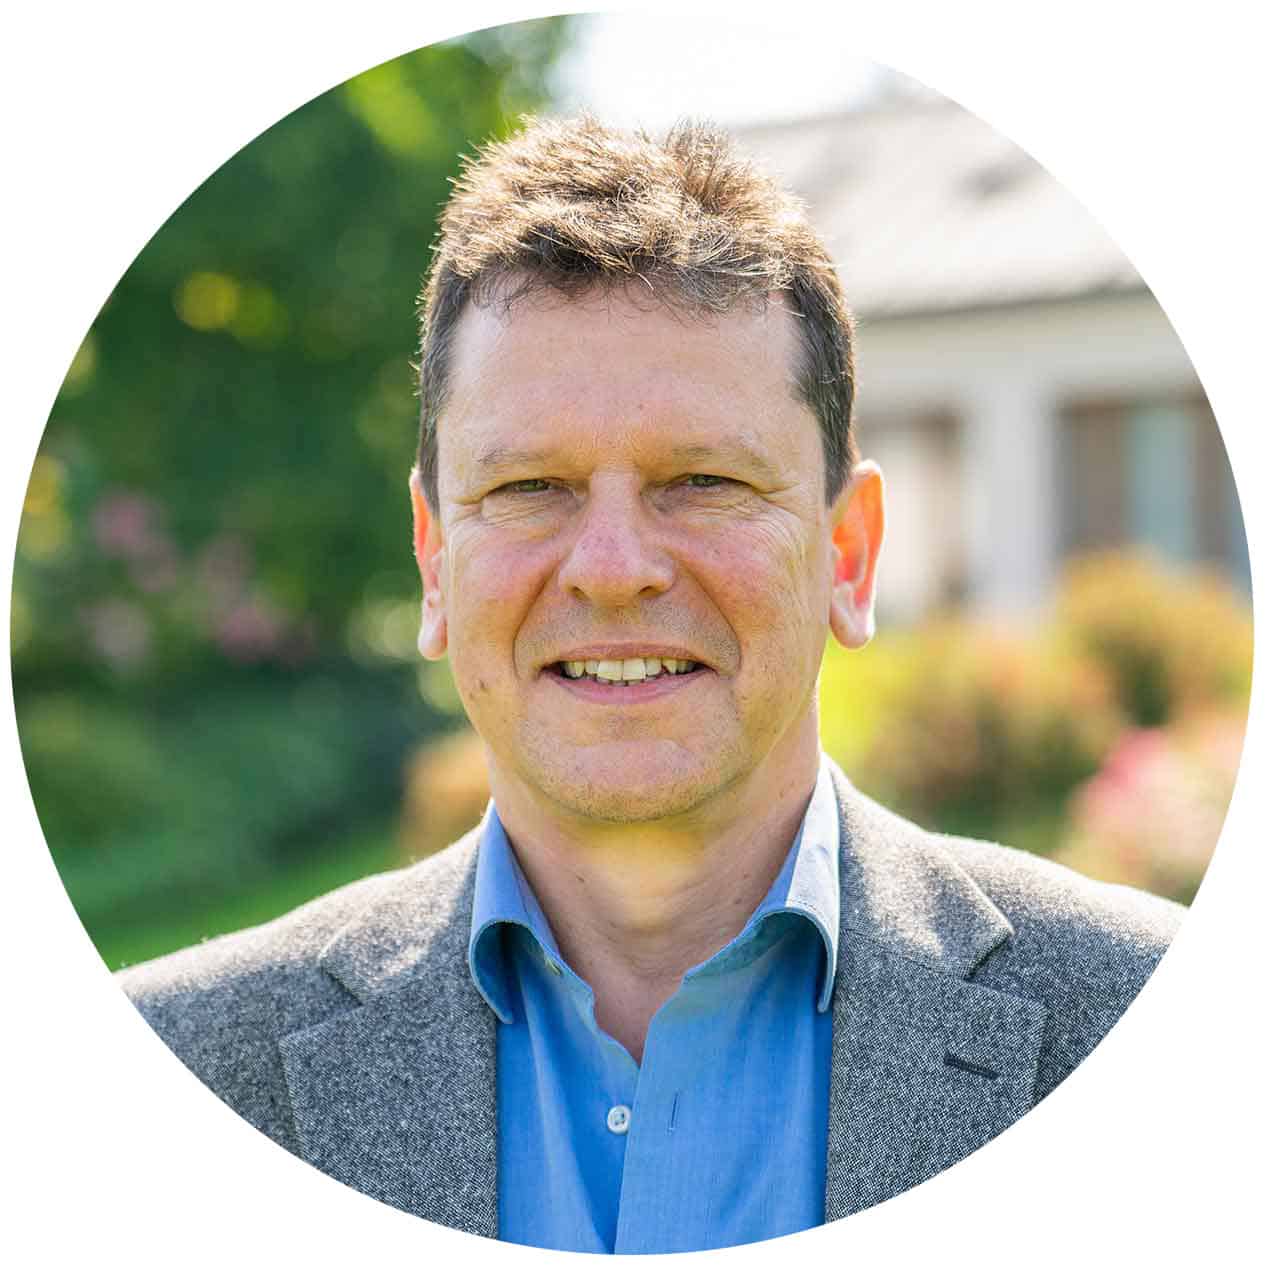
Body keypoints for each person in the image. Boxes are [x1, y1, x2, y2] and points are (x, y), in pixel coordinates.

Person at [122, 115, 1183, 1254]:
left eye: (704, 480)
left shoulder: (1160, 1029)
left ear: (848, 554)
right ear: (435, 563)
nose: (614, 567)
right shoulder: (165, 1079)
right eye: (529, 487)